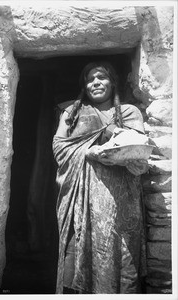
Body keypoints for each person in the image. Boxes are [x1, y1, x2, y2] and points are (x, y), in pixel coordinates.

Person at [52, 61, 149, 294]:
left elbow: (139, 155)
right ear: (84, 86)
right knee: (78, 250)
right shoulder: (72, 112)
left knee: (120, 251)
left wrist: (116, 143)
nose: (95, 82)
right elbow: (59, 147)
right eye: (90, 79)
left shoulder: (128, 112)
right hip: (80, 198)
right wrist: (89, 152)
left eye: (102, 77)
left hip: (118, 201)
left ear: (113, 82)